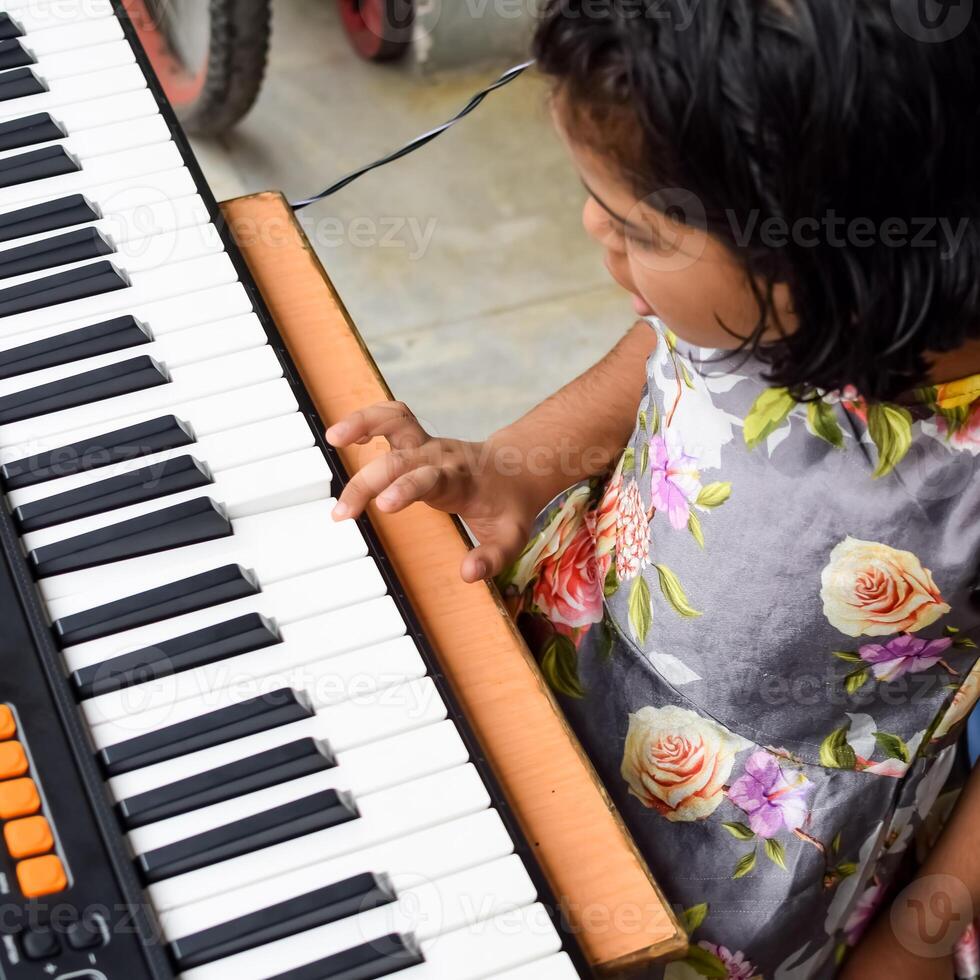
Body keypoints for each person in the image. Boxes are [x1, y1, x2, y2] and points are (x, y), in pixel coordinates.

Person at [327, 1, 980, 975]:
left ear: (834, 264)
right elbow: (669, 347)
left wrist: (917, 932)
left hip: (739, 864)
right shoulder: (753, 300)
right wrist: (514, 464)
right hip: (569, 664)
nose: (591, 228)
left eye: (636, 227)